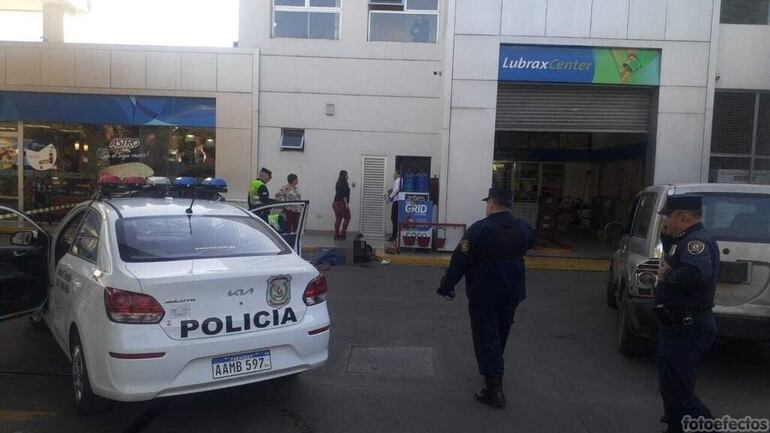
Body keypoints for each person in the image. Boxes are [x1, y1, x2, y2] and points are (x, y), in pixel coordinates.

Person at [436, 188, 535, 409]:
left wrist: (447, 286)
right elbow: (529, 244)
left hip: (485, 294)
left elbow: (459, 260)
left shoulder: (479, 229)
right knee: (500, 333)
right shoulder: (523, 228)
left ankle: (494, 388)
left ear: (491, 203)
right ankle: (494, 369)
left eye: (487, 202)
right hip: (512, 294)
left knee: (486, 336)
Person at [654, 195, 718, 433]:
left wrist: (668, 276)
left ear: (684, 216)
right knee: (671, 386)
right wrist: (667, 237)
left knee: (679, 390)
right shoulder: (684, 240)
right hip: (676, 326)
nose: (665, 222)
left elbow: (696, 275)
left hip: (687, 327)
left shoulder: (696, 242)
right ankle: (676, 427)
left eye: (668, 217)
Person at [332, 170, 351, 240]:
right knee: (347, 217)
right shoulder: (345, 184)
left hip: (335, 203)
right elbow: (344, 195)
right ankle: (343, 234)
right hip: (341, 203)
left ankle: (336, 234)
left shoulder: (338, 183)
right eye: (347, 175)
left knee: (338, 219)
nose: (348, 176)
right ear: (345, 176)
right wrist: (346, 204)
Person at [388, 170, 402, 242]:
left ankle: (394, 236)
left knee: (394, 218)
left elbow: (396, 189)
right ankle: (395, 235)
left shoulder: (398, 180)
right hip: (398, 202)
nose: (394, 176)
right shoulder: (400, 180)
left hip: (397, 202)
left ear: (398, 175)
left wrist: (390, 196)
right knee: (395, 219)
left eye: (395, 174)